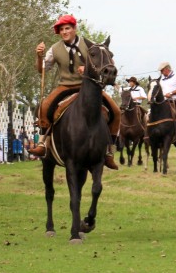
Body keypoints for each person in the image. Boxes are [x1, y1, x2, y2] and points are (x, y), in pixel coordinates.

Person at [28, 14, 121, 169]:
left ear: (74, 28)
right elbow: (42, 70)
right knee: (44, 105)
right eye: (61, 29)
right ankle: (43, 143)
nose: (64, 32)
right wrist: (39, 56)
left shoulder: (90, 45)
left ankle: (109, 151)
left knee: (116, 111)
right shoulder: (54, 49)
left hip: (89, 86)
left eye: (67, 28)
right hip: (65, 86)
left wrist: (88, 69)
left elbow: (105, 63)